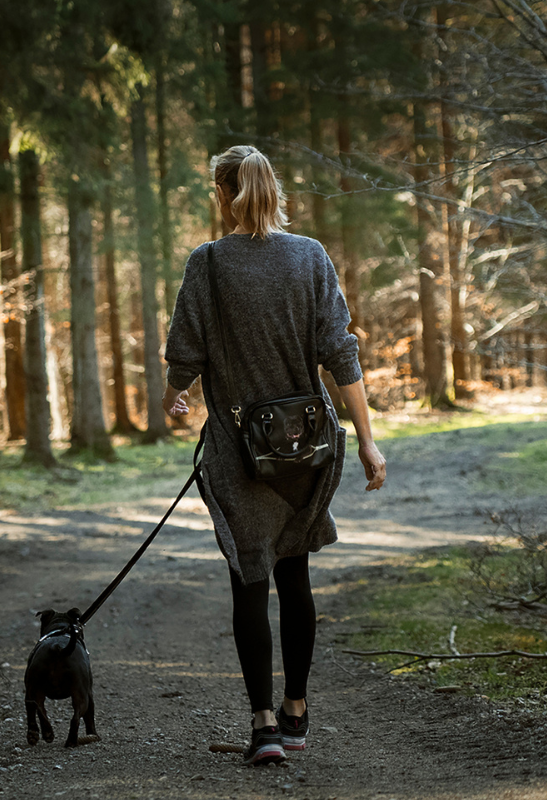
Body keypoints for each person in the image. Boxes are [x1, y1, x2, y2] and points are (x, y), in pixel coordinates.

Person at [162, 144, 388, 766]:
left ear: (222, 194)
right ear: (271, 190)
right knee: (295, 576)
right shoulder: (310, 257)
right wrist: (367, 438)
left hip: (239, 449)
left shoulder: (207, 265)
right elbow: (340, 353)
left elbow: (185, 355)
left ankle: (262, 724)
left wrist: (174, 400)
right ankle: (295, 712)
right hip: (309, 446)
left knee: (248, 579)